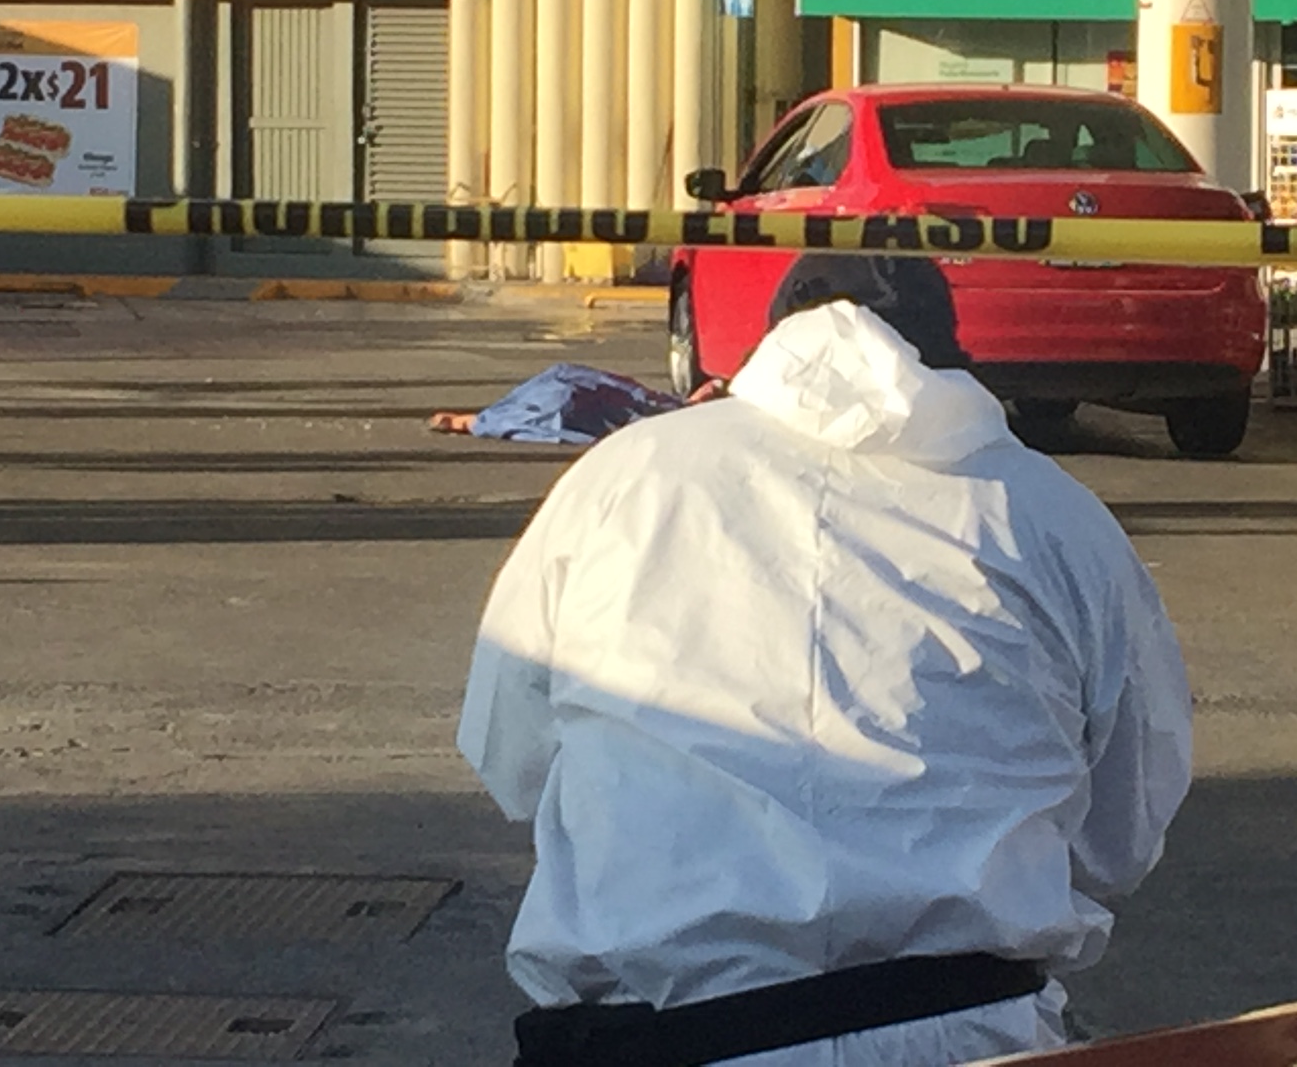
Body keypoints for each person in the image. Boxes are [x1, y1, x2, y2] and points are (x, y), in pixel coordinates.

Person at [458, 253, 1193, 1067]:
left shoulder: (618, 479)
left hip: (659, 1033)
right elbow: (1122, 833)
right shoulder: (1053, 515)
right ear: (946, 359)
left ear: (770, 343)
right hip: (967, 1034)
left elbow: (511, 759)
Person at [427, 364, 714, 444]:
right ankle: (682, 407)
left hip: (557, 402)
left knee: (621, 403)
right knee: (622, 398)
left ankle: (682, 407)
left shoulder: (497, 416)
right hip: (558, 399)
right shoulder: (495, 417)